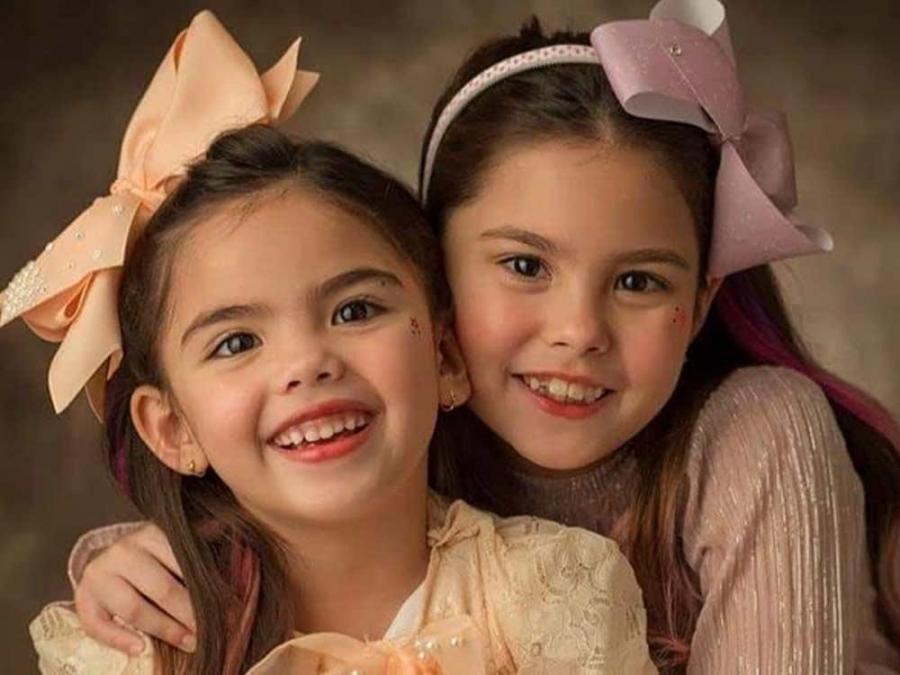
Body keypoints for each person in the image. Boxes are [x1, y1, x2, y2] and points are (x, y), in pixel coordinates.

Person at [64, 0, 900, 671]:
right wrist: (127, 561)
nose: (578, 332)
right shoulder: (396, 425)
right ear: (432, 273)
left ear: (703, 299)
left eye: (640, 282)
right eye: (525, 266)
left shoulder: (760, 433)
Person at [4, 11, 655, 675]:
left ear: (445, 356)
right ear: (172, 430)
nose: (306, 363)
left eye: (355, 309)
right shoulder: (129, 650)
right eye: (235, 342)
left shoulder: (558, 593)